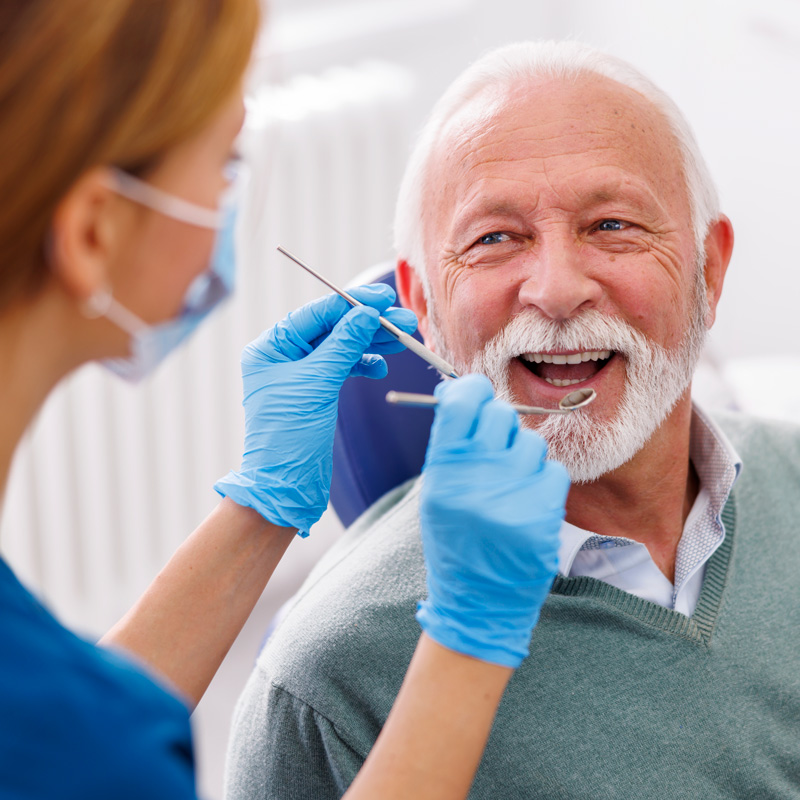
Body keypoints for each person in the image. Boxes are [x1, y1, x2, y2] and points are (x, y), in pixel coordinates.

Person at [0, 5, 571, 799]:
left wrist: (262, 504)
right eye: (226, 164)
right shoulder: (101, 739)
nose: (556, 287)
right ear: (94, 230)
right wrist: (470, 639)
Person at [226, 40, 800, 800]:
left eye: (612, 225)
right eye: (495, 238)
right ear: (422, 306)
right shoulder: (327, 691)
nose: (558, 291)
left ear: (709, 268)